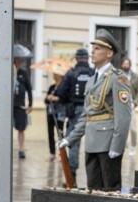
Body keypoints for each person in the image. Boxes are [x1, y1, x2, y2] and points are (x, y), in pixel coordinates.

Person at [58, 29, 132, 191]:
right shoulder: (92, 80)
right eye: (93, 48)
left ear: (109, 53)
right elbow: (86, 116)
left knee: (110, 192)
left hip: (107, 144)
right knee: (93, 191)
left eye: (97, 48)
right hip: (91, 143)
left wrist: (117, 146)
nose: (92, 51)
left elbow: (124, 117)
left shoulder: (117, 78)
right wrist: (70, 139)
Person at [51, 48, 93, 185]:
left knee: (73, 142)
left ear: (76, 58)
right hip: (93, 111)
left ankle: (72, 175)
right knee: (94, 143)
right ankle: (94, 176)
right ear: (87, 58)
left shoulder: (71, 73)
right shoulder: (94, 73)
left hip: (75, 111)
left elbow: (62, 94)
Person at [44, 64, 67, 161]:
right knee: (50, 133)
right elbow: (45, 100)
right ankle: (52, 153)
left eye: (56, 74)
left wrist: (56, 98)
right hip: (50, 112)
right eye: (54, 74)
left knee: (60, 133)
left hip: (60, 113)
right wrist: (48, 98)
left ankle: (61, 154)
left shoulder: (64, 87)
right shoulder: (52, 87)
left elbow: (65, 98)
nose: (55, 75)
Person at [120, 57, 138, 157]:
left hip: (131, 105)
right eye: (124, 63)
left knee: (133, 128)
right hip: (120, 105)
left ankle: (133, 146)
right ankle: (121, 146)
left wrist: (136, 102)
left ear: (130, 65)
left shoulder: (135, 76)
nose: (125, 65)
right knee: (120, 128)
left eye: (127, 63)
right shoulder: (118, 76)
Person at [13, 52, 33, 159]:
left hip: (20, 105)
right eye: (18, 59)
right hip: (9, 105)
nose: (20, 61)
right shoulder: (7, 72)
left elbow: (29, 89)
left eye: (21, 59)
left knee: (21, 128)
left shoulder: (23, 73)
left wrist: (30, 104)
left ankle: (21, 149)